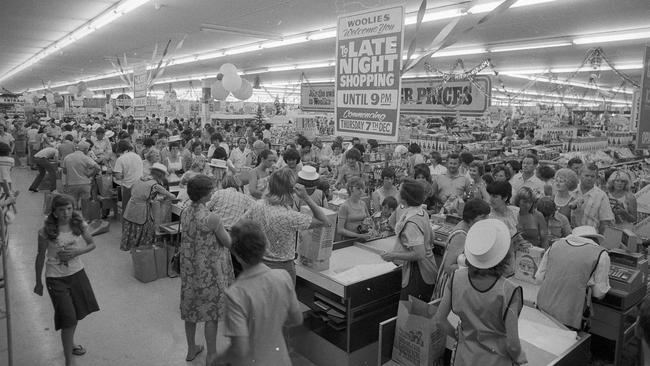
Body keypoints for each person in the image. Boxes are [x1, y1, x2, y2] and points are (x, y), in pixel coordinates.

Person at [433, 219, 527, 366]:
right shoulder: (510, 291)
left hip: (463, 357)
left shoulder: (456, 277)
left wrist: (459, 337)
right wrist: (520, 359)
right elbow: (513, 344)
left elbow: (439, 320)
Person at [218, 220, 303, 366]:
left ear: (236, 254)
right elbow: (296, 319)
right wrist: (271, 322)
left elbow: (240, 350)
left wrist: (217, 360)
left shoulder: (235, 295)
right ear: (264, 247)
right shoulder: (283, 277)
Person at [33, 194, 100, 366]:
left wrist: (77, 252)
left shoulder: (78, 224)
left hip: (77, 274)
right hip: (55, 278)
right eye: (61, 210)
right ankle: (69, 360)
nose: (66, 213)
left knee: (75, 313)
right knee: (68, 318)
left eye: (69, 208)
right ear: (54, 212)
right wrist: (38, 282)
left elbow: (91, 244)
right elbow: (40, 256)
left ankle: (70, 343)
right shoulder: (45, 231)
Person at [179, 174, 234, 365]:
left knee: (191, 308)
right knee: (211, 313)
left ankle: (191, 349)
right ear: (204, 195)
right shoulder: (212, 218)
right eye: (211, 190)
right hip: (209, 270)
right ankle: (211, 355)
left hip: (189, 268)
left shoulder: (185, 211)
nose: (213, 192)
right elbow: (227, 242)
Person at [244, 169, 330, 283]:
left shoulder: (258, 205)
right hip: (282, 268)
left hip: (259, 263)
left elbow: (240, 225)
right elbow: (324, 221)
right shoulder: (289, 216)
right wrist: (306, 197)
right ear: (291, 190)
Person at [536, 225, 611, 330]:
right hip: (570, 316)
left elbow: (539, 278)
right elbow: (598, 293)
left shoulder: (555, 245)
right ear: (595, 239)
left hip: (543, 309)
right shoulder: (601, 254)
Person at [381, 179, 437, 301]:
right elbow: (431, 237)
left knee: (410, 313)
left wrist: (393, 255)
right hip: (428, 266)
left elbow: (419, 254)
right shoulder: (421, 212)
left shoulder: (412, 224)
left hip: (419, 273)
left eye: (399, 191)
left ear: (405, 198)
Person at [433, 198, 490, 300]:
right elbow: (448, 267)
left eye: (487, 216)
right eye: (483, 217)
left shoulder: (469, 226)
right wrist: (475, 269)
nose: (487, 220)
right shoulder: (461, 235)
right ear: (471, 218)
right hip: (449, 286)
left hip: (456, 282)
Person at [121, 163, 176, 251]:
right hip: (142, 210)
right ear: (161, 175)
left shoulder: (141, 179)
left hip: (131, 206)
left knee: (133, 227)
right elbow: (171, 196)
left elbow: (139, 192)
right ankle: (143, 250)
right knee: (147, 229)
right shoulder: (155, 185)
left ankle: (134, 249)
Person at [570, 163, 614, 233]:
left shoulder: (601, 196)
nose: (589, 178)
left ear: (596, 178)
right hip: (571, 234)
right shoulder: (571, 191)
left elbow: (605, 222)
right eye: (586, 175)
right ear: (579, 175)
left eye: (592, 176)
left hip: (590, 236)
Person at [61, 141, 100, 210]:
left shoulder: (67, 157)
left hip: (71, 184)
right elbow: (98, 168)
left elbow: (64, 171)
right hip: (85, 184)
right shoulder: (85, 158)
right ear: (85, 149)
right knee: (85, 205)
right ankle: (85, 218)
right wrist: (90, 174)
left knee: (72, 205)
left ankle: (73, 218)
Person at [336, 177, 372, 241]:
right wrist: (358, 235)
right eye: (358, 188)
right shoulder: (344, 206)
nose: (361, 191)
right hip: (348, 241)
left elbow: (370, 220)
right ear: (350, 189)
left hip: (363, 238)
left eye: (362, 188)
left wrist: (368, 224)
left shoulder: (363, 204)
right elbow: (340, 230)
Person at [112, 140, 143, 211]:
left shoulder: (120, 159)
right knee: (137, 209)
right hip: (140, 186)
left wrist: (122, 174)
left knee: (127, 210)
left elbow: (118, 176)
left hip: (128, 187)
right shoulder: (137, 156)